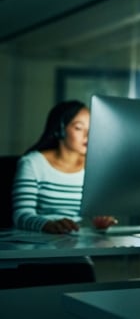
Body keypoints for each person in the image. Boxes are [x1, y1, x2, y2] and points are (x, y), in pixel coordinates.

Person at [12, 100, 116, 233]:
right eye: (79, 128)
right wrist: (48, 225)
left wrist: (101, 219)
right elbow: (21, 215)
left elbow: (96, 211)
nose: (88, 135)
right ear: (60, 130)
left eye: (92, 128)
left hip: (78, 240)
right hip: (40, 241)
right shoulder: (32, 163)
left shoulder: (94, 166)